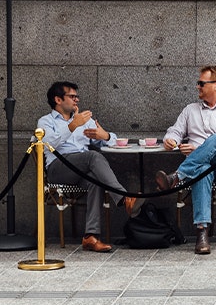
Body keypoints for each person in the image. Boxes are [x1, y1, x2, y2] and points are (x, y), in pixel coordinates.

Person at [37, 81, 141, 252]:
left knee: (95, 180)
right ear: (58, 99)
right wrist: (73, 126)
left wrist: (105, 136)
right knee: (93, 156)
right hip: (58, 168)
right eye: (72, 96)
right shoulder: (46, 121)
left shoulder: (84, 120)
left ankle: (90, 237)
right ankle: (124, 198)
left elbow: (113, 142)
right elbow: (48, 143)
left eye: (77, 96)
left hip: (82, 170)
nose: (76, 100)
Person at [155, 65, 216, 254]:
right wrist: (171, 140)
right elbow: (174, 131)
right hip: (199, 169)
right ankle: (202, 234)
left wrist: (197, 149)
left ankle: (177, 176)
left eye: (201, 83)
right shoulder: (190, 110)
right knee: (203, 170)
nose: (197, 86)